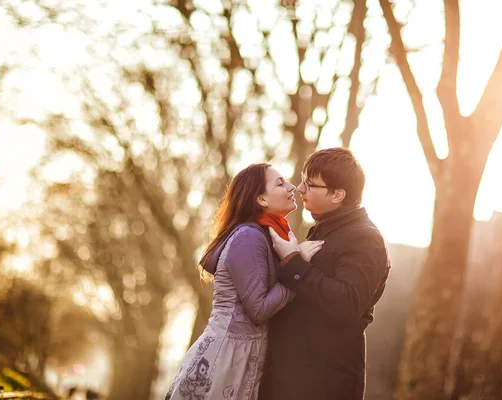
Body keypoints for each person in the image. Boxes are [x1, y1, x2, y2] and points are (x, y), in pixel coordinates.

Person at [165, 163, 323, 400]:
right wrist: (296, 265)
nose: (292, 187)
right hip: (224, 358)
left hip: (245, 356)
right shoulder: (248, 237)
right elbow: (258, 309)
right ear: (260, 199)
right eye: (280, 183)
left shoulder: (269, 234)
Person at [259, 148, 391, 400]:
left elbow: (347, 301)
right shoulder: (324, 229)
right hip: (294, 378)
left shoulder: (365, 238)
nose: (299, 188)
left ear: (338, 194)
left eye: (310, 184)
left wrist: (293, 263)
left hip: (323, 383)